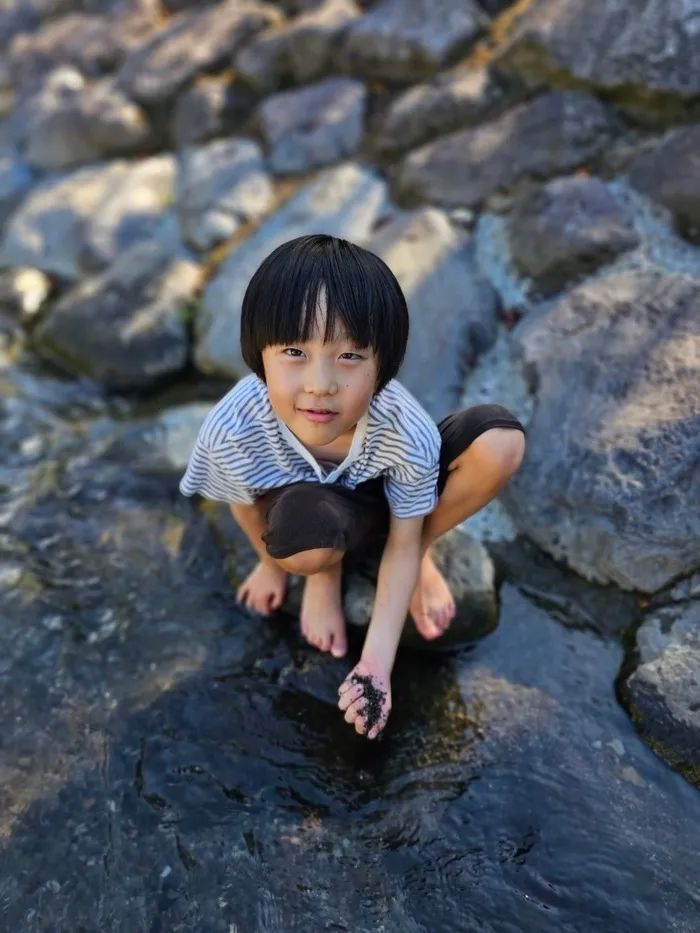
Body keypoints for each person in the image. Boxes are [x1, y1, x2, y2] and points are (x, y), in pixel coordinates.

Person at [179, 234, 525, 740]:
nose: (320, 384)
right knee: (300, 532)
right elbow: (246, 510)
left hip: (384, 501)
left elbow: (400, 542)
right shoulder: (235, 428)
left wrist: (376, 666)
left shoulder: (401, 427)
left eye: (349, 357)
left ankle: (429, 550)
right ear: (260, 356)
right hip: (311, 507)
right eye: (294, 351)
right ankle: (323, 571)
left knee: (499, 441)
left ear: (382, 365)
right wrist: (274, 566)